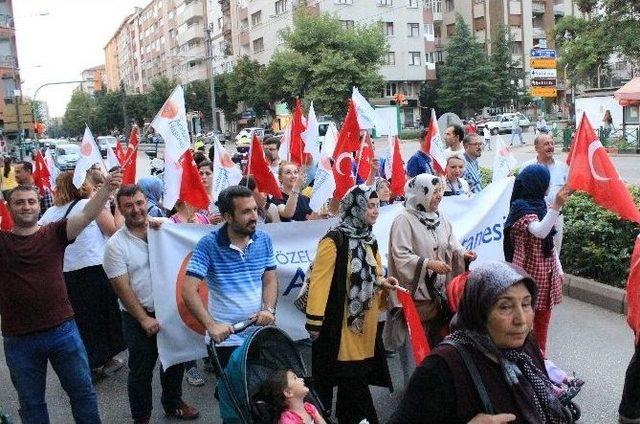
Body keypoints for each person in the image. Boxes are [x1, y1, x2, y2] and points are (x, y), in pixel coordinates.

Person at [0, 169, 122, 423]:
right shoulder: (3, 242)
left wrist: (107, 190)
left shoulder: (53, 233)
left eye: (31, 201)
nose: (26, 206)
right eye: (19, 202)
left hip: (62, 331)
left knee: (83, 394)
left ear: (38, 205)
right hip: (19, 338)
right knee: (31, 404)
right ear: (9, 208)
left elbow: (88, 214)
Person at [389, 261, 570, 424]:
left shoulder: (524, 346)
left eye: (526, 304)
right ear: (479, 311)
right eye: (505, 306)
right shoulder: (442, 368)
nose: (521, 320)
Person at [103, 185, 199, 423]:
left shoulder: (164, 226)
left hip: (169, 310)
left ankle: (173, 403)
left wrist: (165, 229)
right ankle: (142, 415)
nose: (136, 210)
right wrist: (144, 318)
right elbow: (122, 288)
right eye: (128, 206)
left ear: (146, 202)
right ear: (121, 209)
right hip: (137, 315)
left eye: (139, 203)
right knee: (141, 369)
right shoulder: (115, 245)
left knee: (174, 360)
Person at [306, 185, 398, 424]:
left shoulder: (369, 238)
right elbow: (320, 282)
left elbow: (374, 273)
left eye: (377, 205)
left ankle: (349, 417)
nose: (375, 211)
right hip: (341, 324)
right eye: (369, 205)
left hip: (364, 324)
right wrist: (314, 322)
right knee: (350, 376)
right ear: (355, 207)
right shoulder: (333, 240)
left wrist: (384, 281)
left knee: (354, 377)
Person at [181, 184, 278, 376]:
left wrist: (268, 309)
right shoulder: (209, 244)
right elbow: (188, 290)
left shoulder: (264, 240)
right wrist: (211, 326)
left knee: (261, 397)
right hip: (227, 340)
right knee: (232, 400)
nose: (253, 217)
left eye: (255, 210)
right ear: (227, 217)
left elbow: (270, 280)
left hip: (258, 334)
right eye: (245, 212)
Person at [39, 171, 126, 381]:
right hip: (93, 269)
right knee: (101, 317)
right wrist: (118, 210)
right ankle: (100, 361)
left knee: (81, 320)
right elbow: (114, 230)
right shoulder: (88, 205)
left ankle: (88, 360)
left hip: (66, 273)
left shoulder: (50, 212)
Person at [387, 174, 475, 378]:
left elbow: (452, 245)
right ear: (421, 192)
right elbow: (401, 255)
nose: (439, 196)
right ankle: (415, 392)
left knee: (440, 346)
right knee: (416, 348)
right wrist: (428, 264)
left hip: (438, 297)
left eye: (440, 192)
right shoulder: (404, 219)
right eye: (434, 192)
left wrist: (463, 255)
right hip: (416, 298)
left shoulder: (440, 217)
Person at [503, 164, 570, 356]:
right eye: (546, 181)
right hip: (528, 273)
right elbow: (540, 231)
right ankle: (526, 362)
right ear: (537, 183)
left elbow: (549, 240)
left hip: (546, 273)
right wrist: (556, 206)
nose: (549, 185)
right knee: (524, 325)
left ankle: (541, 361)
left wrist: (559, 269)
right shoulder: (521, 207)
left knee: (543, 323)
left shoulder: (541, 204)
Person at [521, 133, 569, 253]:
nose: (550, 146)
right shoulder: (527, 167)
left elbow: (569, 187)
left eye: (552, 143)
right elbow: (520, 191)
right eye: (546, 144)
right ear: (536, 148)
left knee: (555, 253)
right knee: (536, 255)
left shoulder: (562, 167)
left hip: (556, 217)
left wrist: (560, 197)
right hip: (534, 219)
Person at [259, 369, 327, 424]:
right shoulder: (287, 420)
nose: (301, 379)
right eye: (295, 378)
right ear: (288, 392)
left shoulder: (310, 408)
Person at [197, 160, 223, 224]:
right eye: (201, 173)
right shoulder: (195, 196)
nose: (204, 177)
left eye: (207, 173)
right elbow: (189, 220)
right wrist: (207, 220)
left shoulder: (221, 194)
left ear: (214, 175)